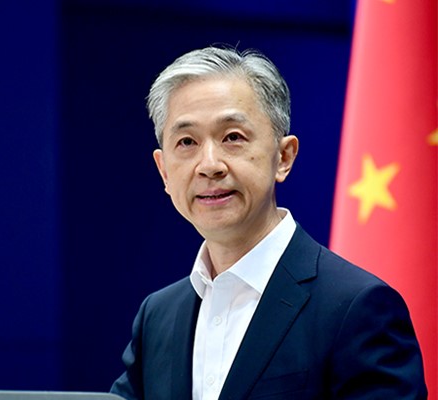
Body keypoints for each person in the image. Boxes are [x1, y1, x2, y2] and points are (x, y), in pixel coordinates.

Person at [110, 46, 427, 400]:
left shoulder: (358, 308)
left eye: (232, 137)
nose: (209, 165)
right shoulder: (157, 316)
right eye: (187, 142)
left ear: (284, 157)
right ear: (164, 171)